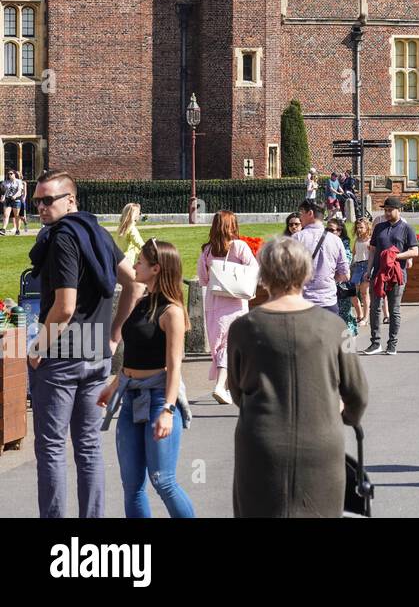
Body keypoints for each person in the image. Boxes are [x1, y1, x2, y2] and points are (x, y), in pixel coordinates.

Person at [227, 236, 368, 517]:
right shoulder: (333, 326)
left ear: (264, 275)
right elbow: (357, 393)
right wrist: (343, 415)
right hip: (320, 441)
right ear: (307, 273)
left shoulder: (244, 328)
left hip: (261, 440)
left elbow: (237, 391)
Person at [26, 171, 138, 518]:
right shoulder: (97, 232)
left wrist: (37, 347)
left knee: (52, 448)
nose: (41, 207)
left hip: (61, 354)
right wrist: (115, 333)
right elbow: (135, 282)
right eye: (37, 201)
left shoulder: (62, 239)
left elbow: (65, 306)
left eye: (48, 200)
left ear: (70, 200)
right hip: (96, 352)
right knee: (89, 447)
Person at [97, 238, 195, 518]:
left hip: (158, 399)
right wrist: (113, 386)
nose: (135, 264)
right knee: (132, 485)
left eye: (140, 260)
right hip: (130, 399)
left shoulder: (171, 312)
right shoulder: (141, 302)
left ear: (156, 268)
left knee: (163, 480)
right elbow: (131, 357)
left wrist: (167, 409)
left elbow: (175, 366)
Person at [196, 210, 259, 404]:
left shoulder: (207, 250)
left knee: (220, 344)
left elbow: (203, 279)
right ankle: (221, 385)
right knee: (232, 343)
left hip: (214, 303)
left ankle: (225, 385)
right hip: (235, 301)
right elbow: (254, 269)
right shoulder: (239, 246)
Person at [360, 196, 418, 355]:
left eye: (389, 210)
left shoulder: (407, 228)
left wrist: (395, 256)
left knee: (394, 309)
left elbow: (415, 251)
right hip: (378, 273)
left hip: (397, 274)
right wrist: (368, 270)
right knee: (375, 308)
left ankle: (392, 343)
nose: (386, 213)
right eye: (385, 210)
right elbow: (372, 251)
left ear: (398, 210)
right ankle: (375, 342)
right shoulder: (379, 227)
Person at [290, 199, 349, 317]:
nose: (300, 217)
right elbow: (345, 275)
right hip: (328, 302)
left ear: (310, 213)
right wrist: (328, 277)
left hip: (304, 302)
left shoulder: (296, 239)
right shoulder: (336, 240)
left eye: (301, 213)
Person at [351, 217, 373, 326]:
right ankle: (359, 314)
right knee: (352, 293)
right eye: (358, 227)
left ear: (367, 228)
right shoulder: (357, 240)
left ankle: (365, 317)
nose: (359, 229)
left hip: (366, 265)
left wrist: (369, 269)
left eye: (361, 227)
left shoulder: (370, 240)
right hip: (357, 266)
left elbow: (372, 255)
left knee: (364, 293)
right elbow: (354, 253)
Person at [115, 202, 145, 267]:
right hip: (127, 262)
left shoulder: (120, 228)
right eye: (139, 213)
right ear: (135, 215)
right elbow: (140, 244)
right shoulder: (132, 229)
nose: (139, 215)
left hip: (118, 260)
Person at [1, 168, 19, 234]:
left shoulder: (18, 181)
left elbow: (19, 190)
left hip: (16, 200)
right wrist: (2, 197)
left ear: (14, 174)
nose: (9, 175)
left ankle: (17, 229)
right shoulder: (5, 182)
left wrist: (15, 196)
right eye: (8, 174)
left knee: (16, 215)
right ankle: (3, 229)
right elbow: (3, 191)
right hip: (8, 199)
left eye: (11, 174)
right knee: (6, 215)